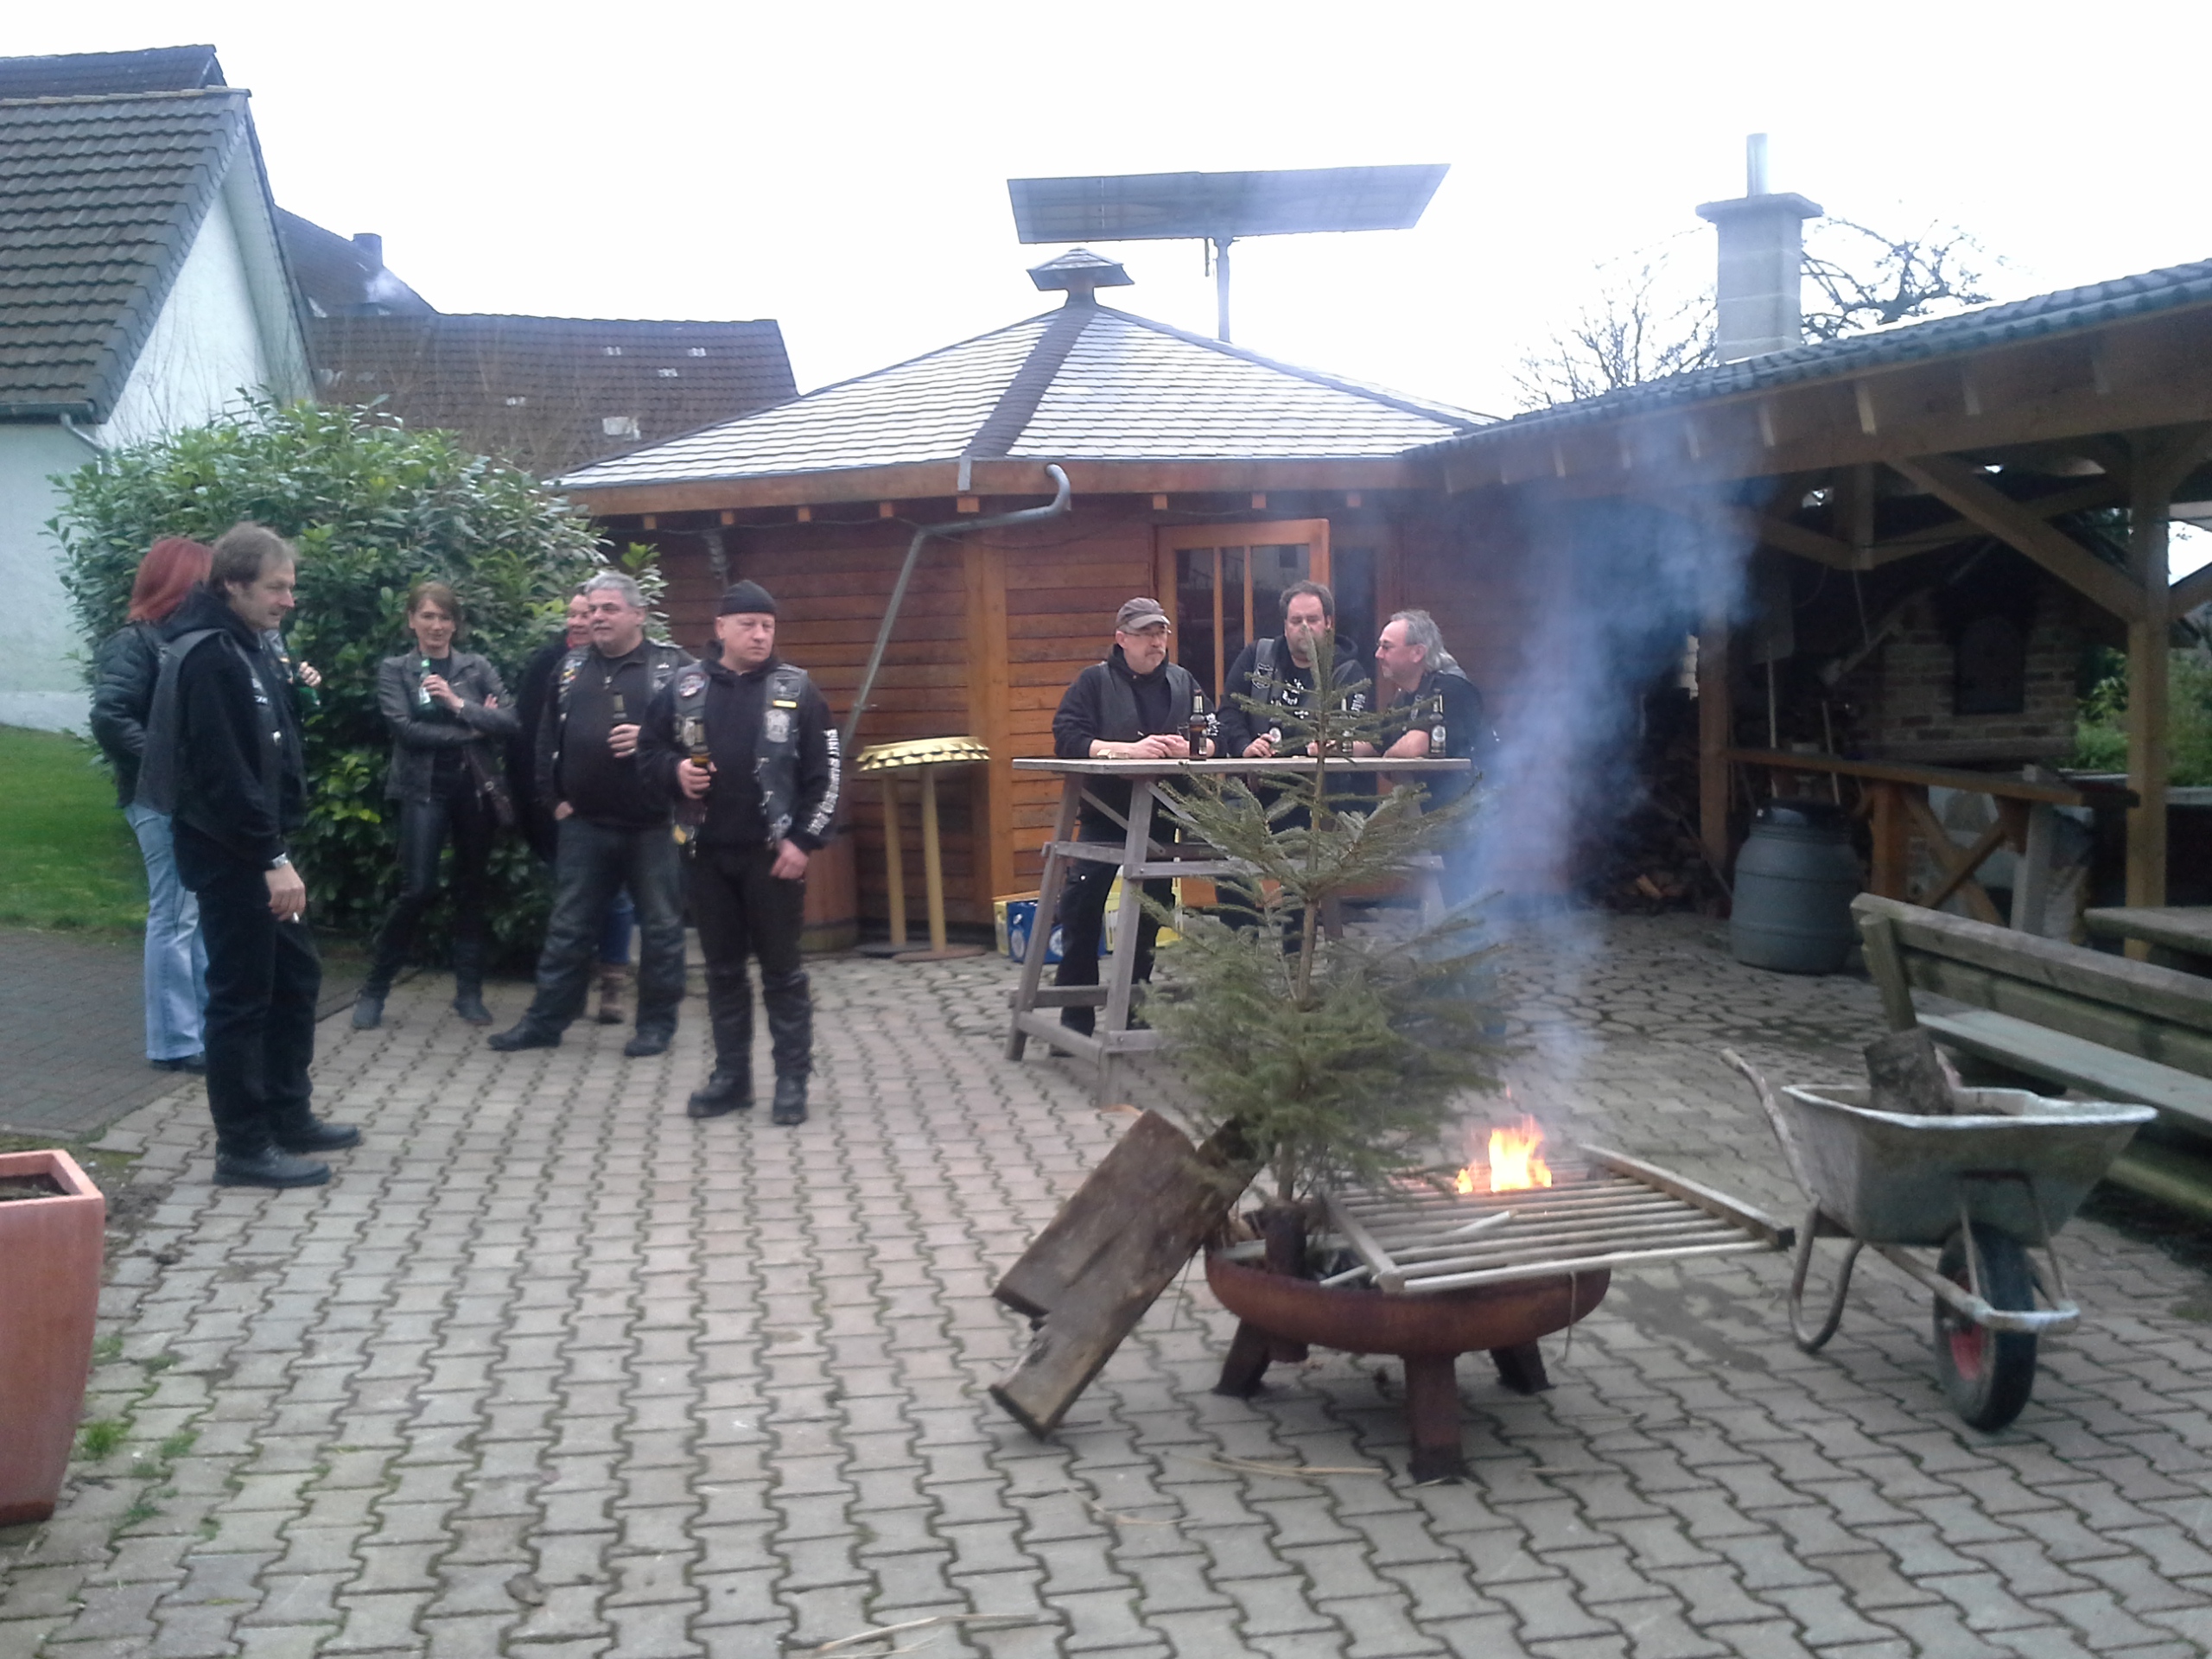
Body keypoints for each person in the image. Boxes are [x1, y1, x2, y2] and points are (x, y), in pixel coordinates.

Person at [146, 523, 360, 1187]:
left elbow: (265, 743)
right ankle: (242, 1148)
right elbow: (225, 773)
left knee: (294, 979)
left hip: (258, 845)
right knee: (240, 997)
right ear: (233, 585)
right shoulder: (211, 654)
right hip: (233, 852)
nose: (288, 600)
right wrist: (271, 857)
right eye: (276, 587)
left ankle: (288, 1115)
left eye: (289, 587)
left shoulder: (250, 645)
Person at [639, 581, 838, 1125]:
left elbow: (827, 774)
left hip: (772, 857)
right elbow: (648, 751)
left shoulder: (797, 689)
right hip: (704, 854)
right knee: (723, 973)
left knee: (783, 974)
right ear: (720, 628)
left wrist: (803, 841)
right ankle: (731, 1079)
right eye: (748, 624)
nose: (759, 635)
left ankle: (792, 1080)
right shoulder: (684, 687)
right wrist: (675, 771)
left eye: (767, 626)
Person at [489, 573, 691, 1056]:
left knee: (662, 931)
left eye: (609, 609)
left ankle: (656, 1028)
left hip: (654, 825)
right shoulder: (571, 666)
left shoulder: (674, 668)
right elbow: (545, 737)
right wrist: (552, 798)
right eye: (593, 608)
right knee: (568, 929)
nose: (597, 617)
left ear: (638, 615)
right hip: (584, 823)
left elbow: (704, 734)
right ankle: (545, 1024)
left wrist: (649, 739)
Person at [352, 582, 518, 1030]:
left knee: (472, 888)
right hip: (423, 790)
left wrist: (456, 703)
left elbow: (510, 719)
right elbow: (405, 729)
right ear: (411, 621)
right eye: (427, 616)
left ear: (456, 624)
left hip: (475, 790)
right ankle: (374, 990)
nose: (437, 625)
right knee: (418, 889)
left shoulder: (476, 666)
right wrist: (473, 727)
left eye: (445, 617)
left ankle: (469, 994)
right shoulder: (396, 670)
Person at [1047, 598, 1202, 1038]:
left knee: (1150, 914)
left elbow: (1215, 736)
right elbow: (1067, 737)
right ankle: (1074, 1018)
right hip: (1104, 815)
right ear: (1122, 639)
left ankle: (1136, 1011)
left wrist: (1191, 749)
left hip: (1161, 816)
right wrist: (1125, 750)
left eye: (1161, 633)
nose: (1156, 642)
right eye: (1146, 634)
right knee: (1081, 909)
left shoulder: (1183, 681)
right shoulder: (1093, 682)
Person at [90, 537, 214, 1075]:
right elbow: (110, 716)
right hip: (155, 798)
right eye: (203, 581)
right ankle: (175, 1041)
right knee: (175, 913)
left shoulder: (180, 642)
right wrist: (167, 766)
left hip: (183, 797)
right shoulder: (134, 642)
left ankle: (201, 1029)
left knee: (193, 912)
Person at [512, 592, 639, 1026]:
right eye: (573, 614)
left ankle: (613, 984)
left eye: (588, 613)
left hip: (620, 809)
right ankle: (567, 993)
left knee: (617, 898)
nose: (580, 620)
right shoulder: (548, 665)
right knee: (571, 905)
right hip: (564, 812)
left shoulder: (626, 665)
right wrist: (548, 802)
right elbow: (529, 741)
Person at [1369, 609, 1496, 901]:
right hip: (1435, 818)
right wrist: (1332, 746)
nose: (1378, 654)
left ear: (1417, 653)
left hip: (1466, 815)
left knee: (1465, 904)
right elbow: (1376, 741)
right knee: (1443, 901)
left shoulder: (1451, 687)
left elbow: (1415, 745)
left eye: (1387, 647)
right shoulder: (1404, 696)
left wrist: (1388, 756)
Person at [1213, 579, 1367, 762]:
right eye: (1296, 620)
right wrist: (1244, 746)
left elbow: (1354, 734)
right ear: (1285, 626)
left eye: (1312, 620)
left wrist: (1314, 749)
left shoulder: (1347, 672)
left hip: (1319, 777)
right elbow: (1229, 711)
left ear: (1328, 623)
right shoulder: (1256, 657)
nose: (1304, 626)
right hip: (1256, 775)